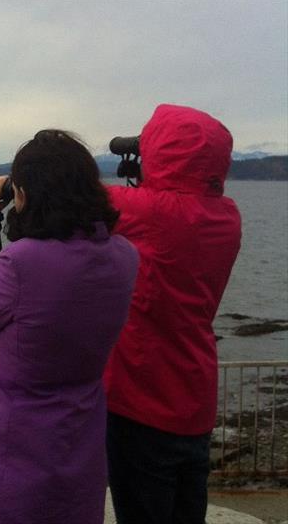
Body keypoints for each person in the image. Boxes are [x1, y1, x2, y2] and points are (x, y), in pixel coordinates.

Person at [0, 130, 139, 524]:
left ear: (24, 194)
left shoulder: (23, 262)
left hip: (12, 436)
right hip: (80, 426)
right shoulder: (124, 255)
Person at [103, 104, 242, 524]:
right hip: (194, 398)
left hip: (141, 399)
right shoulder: (227, 216)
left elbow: (70, 194)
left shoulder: (149, 212)